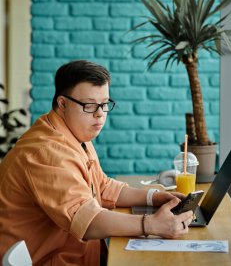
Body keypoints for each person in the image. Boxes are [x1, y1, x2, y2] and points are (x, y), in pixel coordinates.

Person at [0, 60, 193, 266]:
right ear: (62, 104)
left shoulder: (74, 135)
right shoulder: (47, 151)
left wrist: (153, 198)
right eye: (89, 105)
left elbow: (102, 186)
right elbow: (88, 221)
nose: (100, 113)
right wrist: (150, 225)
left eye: (104, 104)